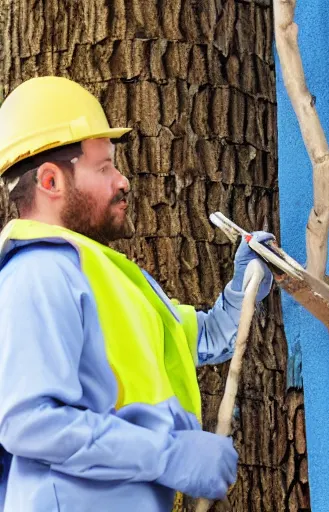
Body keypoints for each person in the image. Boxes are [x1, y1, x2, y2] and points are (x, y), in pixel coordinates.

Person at [0, 76, 274, 512]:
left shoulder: (99, 274)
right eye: (104, 168)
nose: (123, 180)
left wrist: (243, 288)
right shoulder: (38, 274)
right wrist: (169, 454)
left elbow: (201, 341)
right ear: (51, 181)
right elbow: (28, 424)